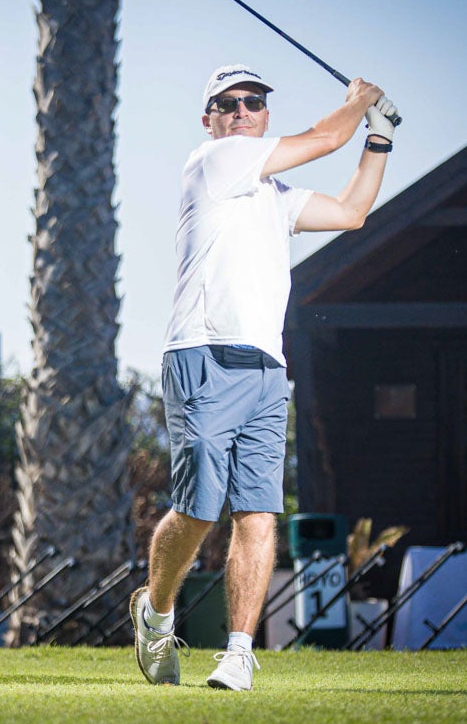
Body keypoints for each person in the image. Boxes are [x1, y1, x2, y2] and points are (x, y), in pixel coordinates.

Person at [131, 64, 398, 691]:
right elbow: (326, 139)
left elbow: (354, 211)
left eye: (253, 102)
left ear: (264, 113)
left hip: (266, 369)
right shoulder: (213, 161)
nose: (242, 111)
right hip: (203, 353)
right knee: (197, 508)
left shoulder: (277, 198)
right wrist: (358, 103)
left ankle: (239, 652)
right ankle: (157, 610)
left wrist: (378, 139)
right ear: (210, 118)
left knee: (257, 512)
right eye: (228, 103)